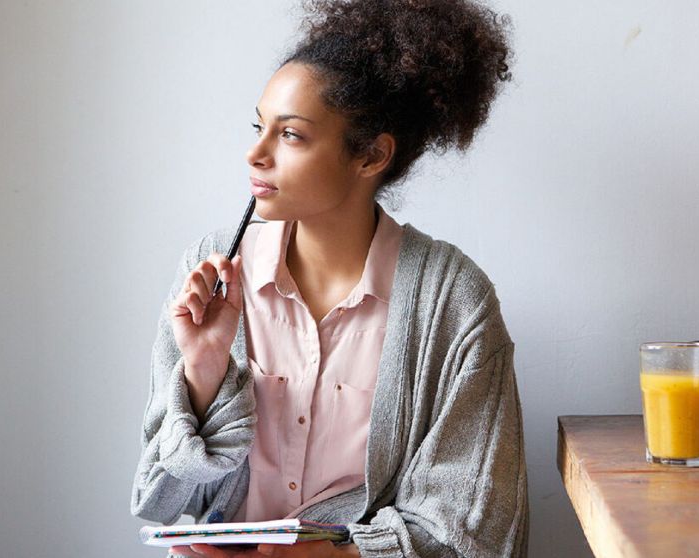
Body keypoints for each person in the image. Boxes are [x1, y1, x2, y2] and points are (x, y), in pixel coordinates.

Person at [130, 1, 527, 556]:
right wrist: (203, 372)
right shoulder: (212, 268)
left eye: (290, 135)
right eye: (259, 127)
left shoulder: (454, 302)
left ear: (371, 156)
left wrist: (342, 555)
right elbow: (159, 500)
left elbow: (474, 530)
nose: (255, 154)